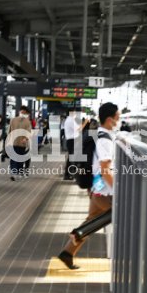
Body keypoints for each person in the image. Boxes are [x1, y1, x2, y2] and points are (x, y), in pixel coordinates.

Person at [58, 102, 119, 270]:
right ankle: (78, 233)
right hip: (102, 187)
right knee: (119, 213)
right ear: (110, 119)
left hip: (96, 185)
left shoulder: (98, 133)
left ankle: (67, 253)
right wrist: (117, 190)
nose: (119, 120)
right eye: (118, 117)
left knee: (93, 219)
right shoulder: (105, 140)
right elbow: (105, 169)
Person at [7, 108, 33, 180]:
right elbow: (9, 131)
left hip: (22, 144)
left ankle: (18, 171)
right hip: (13, 142)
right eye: (22, 112)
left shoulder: (27, 122)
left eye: (24, 113)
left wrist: (25, 138)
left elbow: (29, 132)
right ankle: (14, 172)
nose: (23, 114)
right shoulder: (13, 120)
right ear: (19, 112)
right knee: (13, 158)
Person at [62, 110, 80, 180]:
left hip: (71, 140)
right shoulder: (71, 120)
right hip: (72, 140)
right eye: (74, 112)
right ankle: (68, 174)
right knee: (71, 158)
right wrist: (85, 122)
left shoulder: (69, 120)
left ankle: (68, 174)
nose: (75, 114)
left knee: (71, 158)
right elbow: (79, 129)